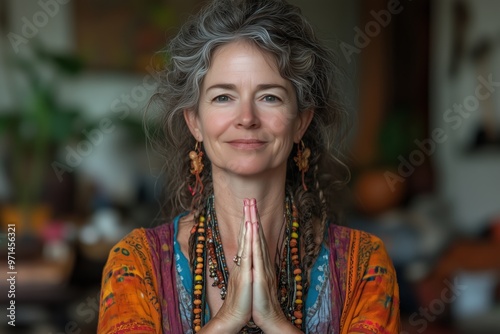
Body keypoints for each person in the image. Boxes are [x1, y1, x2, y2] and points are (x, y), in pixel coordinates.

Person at [97, 0, 400, 333]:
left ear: (300, 122)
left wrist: (275, 322)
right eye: (223, 97)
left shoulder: (365, 265)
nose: (246, 119)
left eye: (269, 96)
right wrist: (226, 321)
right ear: (195, 121)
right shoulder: (135, 264)